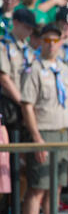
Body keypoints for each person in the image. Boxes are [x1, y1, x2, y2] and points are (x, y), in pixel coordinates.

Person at [20, 23, 68, 214]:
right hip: (43, 133)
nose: (52, 45)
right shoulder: (33, 69)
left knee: (56, 187)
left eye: (56, 41)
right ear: (41, 42)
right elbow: (27, 106)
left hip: (63, 133)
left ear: (61, 42)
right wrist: (36, 139)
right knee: (38, 186)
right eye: (47, 41)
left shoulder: (65, 69)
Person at [0, 8, 35, 136]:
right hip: (9, 104)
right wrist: (22, 103)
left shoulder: (29, 50)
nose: (29, 31)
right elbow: (4, 79)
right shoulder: (3, 45)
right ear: (15, 23)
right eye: (26, 27)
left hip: (26, 106)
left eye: (31, 28)